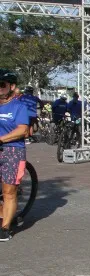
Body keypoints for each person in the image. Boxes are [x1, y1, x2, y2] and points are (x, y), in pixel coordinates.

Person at [0, 70, 29, 242]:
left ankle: (5, 228)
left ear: (11, 86)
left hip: (12, 150)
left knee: (9, 192)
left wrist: (1, 139)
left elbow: (22, 129)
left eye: (2, 85)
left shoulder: (19, 107)